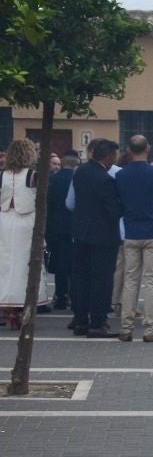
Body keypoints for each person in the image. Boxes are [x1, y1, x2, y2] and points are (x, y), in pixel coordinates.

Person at [114, 135, 153, 342]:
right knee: (151, 282)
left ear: (128, 150)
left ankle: (126, 327)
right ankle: (150, 329)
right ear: (148, 148)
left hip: (130, 232)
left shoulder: (121, 175)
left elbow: (118, 201)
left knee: (130, 281)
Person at [69, 139, 123, 337]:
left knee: (81, 277)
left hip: (81, 232)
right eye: (114, 156)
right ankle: (98, 322)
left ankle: (81, 319)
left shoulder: (81, 172)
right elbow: (113, 211)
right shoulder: (105, 179)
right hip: (103, 236)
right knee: (102, 280)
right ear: (108, 156)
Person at [0, 139, 51, 327]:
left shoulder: (2, 175)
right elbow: (41, 200)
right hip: (27, 221)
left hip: (4, 221)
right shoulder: (33, 175)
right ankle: (22, 307)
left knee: (6, 264)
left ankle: (8, 308)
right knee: (25, 264)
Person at [47, 150, 79, 310]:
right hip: (75, 227)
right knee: (75, 264)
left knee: (60, 264)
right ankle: (73, 296)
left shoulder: (53, 180)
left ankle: (60, 296)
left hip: (57, 227)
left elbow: (49, 205)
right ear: (76, 164)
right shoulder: (77, 179)